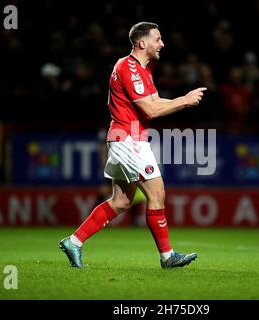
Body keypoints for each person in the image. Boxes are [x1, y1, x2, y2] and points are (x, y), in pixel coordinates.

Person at [59, 22, 207, 269]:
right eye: (158, 39)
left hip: (125, 139)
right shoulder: (128, 68)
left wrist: (182, 100)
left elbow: (155, 100)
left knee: (121, 202)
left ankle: (74, 241)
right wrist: (184, 100)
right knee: (157, 192)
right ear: (142, 43)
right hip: (129, 139)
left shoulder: (143, 70)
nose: (162, 44)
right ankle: (167, 257)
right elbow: (149, 108)